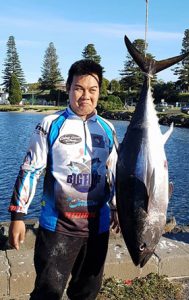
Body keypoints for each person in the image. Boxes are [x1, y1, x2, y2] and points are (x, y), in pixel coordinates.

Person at [8, 59, 119, 300]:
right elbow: (30, 170)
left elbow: (114, 174)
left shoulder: (108, 129)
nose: (85, 96)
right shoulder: (49, 125)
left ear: (99, 91)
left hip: (97, 229)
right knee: (47, 292)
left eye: (92, 90)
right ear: (68, 88)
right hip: (57, 228)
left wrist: (117, 208)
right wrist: (18, 216)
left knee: (88, 292)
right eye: (78, 88)